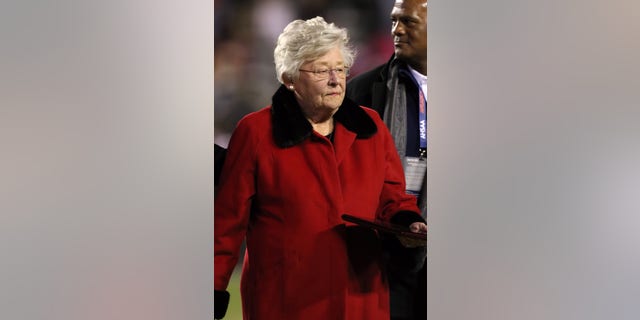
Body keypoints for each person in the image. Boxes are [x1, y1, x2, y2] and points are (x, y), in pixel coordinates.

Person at [214, 16, 427, 320]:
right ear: (289, 78)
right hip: (286, 302)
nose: (336, 80)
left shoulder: (371, 127)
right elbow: (226, 224)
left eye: (340, 69)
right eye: (321, 70)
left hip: (360, 301)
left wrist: (407, 220)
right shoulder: (256, 132)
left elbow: (393, 196)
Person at [346, 0, 428, 319]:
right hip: (383, 259)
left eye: (408, 22)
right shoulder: (361, 92)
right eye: (394, 21)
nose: (397, 30)